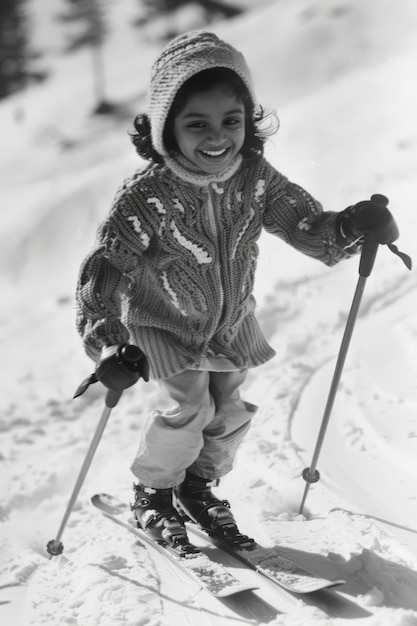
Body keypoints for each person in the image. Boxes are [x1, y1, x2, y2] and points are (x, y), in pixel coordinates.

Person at [76, 30, 394, 553]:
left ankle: (196, 487)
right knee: (191, 410)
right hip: (162, 326)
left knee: (229, 415)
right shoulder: (146, 196)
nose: (217, 135)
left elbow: (303, 223)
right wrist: (108, 340)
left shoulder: (256, 177)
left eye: (231, 120)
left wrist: (350, 226)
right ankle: (154, 494)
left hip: (230, 325)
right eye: (196, 123)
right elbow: (107, 269)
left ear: (248, 122)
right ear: (164, 128)